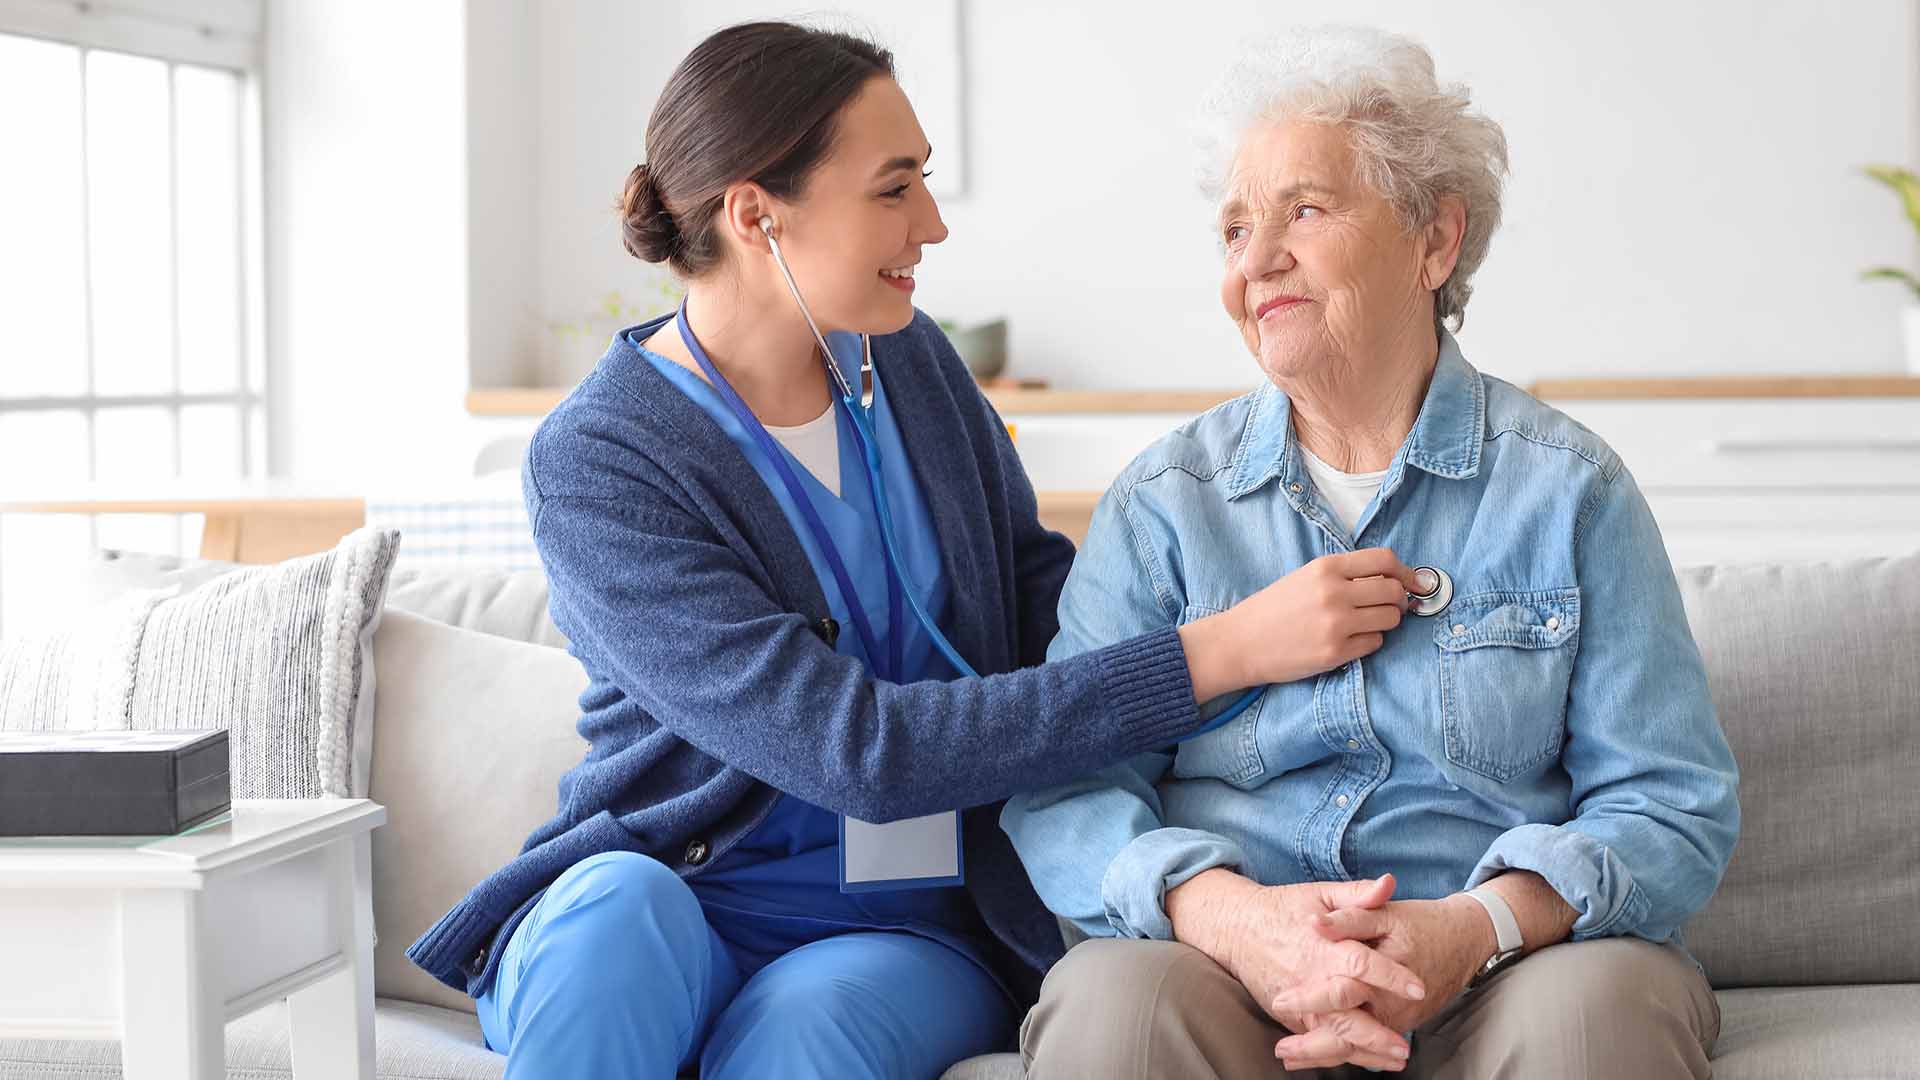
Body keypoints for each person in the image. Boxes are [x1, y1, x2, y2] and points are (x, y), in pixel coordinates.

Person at [406, 21, 1429, 1080]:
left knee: (817, 1027)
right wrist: (1223, 651)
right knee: (613, 923)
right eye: (895, 190)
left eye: (926, 183)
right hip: (673, 889)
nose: (933, 224)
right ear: (758, 215)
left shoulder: (915, 366)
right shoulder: (601, 461)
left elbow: (1048, 613)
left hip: (896, 927)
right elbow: (859, 752)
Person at [1002, 25, 1740, 1079]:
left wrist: (1476, 927)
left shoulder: (1569, 490)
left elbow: (1671, 802)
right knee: (1113, 1007)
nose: (1254, 264)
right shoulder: (1166, 506)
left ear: (1434, 242)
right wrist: (1243, 925)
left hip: (1506, 971)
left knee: (1599, 1015)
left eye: (1302, 211)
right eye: (1233, 229)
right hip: (1231, 978)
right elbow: (1066, 788)